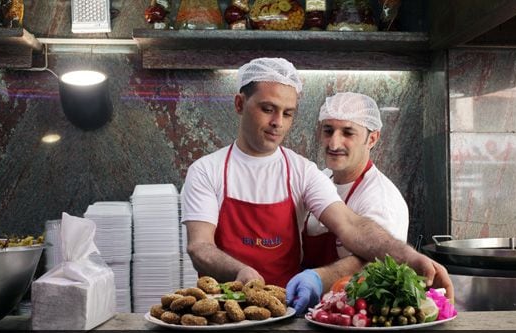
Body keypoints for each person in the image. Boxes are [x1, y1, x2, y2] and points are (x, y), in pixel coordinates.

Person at [181, 57, 453, 314]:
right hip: (220, 312)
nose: (278, 122)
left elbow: (352, 225)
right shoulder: (207, 170)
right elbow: (199, 247)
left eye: (288, 113)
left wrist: (410, 257)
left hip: (286, 308)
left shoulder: (303, 172)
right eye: (267, 109)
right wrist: (240, 272)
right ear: (240, 104)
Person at [300, 92, 409, 269]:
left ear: (372, 139)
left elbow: (374, 267)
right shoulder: (320, 179)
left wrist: (318, 280)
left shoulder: (382, 201)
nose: (334, 144)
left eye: (348, 133)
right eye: (328, 131)